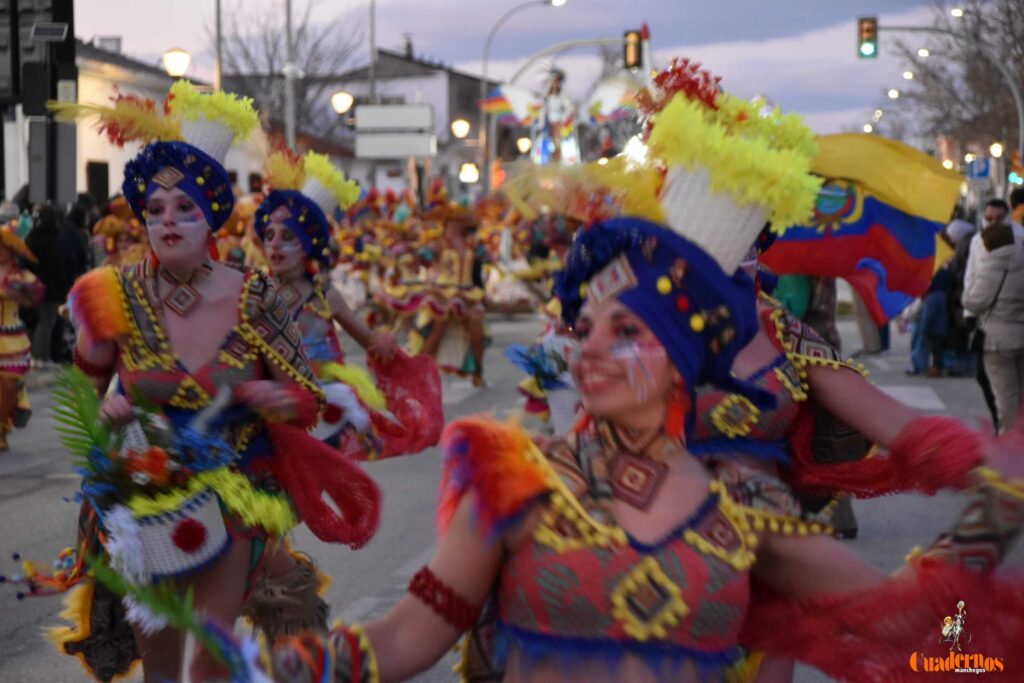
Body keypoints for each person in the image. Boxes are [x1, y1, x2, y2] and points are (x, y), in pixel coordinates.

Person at [259, 58, 1024, 683]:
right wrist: (289, 669)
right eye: (585, 326)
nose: (588, 346)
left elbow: (912, 619)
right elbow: (399, 640)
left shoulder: (746, 516)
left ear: (686, 357)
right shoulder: (515, 485)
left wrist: (998, 496)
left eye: (625, 330)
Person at [34, 81, 381, 683]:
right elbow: (79, 400)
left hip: (234, 495)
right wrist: (107, 416)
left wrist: (277, 397)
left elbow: (305, 397)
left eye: (185, 208)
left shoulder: (256, 295)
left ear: (210, 215)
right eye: (157, 210)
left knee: (210, 660)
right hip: (147, 497)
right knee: (162, 663)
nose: (168, 221)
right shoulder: (111, 295)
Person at [254, 149, 441, 459]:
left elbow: (368, 342)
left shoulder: (326, 296)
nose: (274, 244)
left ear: (307, 248)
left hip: (324, 401)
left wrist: (383, 341)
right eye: (269, 235)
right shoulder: (258, 292)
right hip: (274, 404)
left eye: (287, 236)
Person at [963, 198, 1024, 432]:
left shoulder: (992, 266)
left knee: (1006, 396)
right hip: (1020, 334)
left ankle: (1010, 445)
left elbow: (973, 300)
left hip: (998, 341)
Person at [0, 221, 43, 450]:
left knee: (8, 385)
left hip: (11, 339)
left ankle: (1, 427)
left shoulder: (21, 275)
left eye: (3, 247)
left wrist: (22, 294)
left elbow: (37, 295)